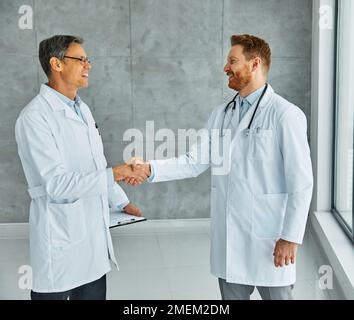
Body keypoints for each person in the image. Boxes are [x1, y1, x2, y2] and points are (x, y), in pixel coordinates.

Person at [128, 34, 313, 300]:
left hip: (270, 239)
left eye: (232, 61)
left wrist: (290, 237)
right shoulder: (221, 114)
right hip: (230, 241)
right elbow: (194, 162)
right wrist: (148, 168)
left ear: (254, 64)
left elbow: (301, 182)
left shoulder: (285, 114)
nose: (225, 67)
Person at [15, 35, 148, 300]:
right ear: (57, 64)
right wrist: (118, 173)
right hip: (60, 242)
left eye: (88, 59)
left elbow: (94, 164)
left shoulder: (82, 110)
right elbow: (56, 185)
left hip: (93, 245)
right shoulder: (34, 118)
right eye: (81, 59)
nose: (88, 65)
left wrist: (119, 200)